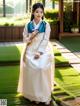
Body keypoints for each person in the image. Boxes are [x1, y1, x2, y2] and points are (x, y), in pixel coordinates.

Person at [17, 2, 55, 105]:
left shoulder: (45, 25)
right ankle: (32, 95)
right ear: (33, 12)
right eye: (37, 11)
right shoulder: (28, 25)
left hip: (43, 50)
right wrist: (31, 36)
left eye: (41, 12)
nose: (39, 14)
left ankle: (43, 95)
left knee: (41, 68)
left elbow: (45, 40)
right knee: (30, 67)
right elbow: (25, 40)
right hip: (30, 50)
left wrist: (39, 52)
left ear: (43, 13)